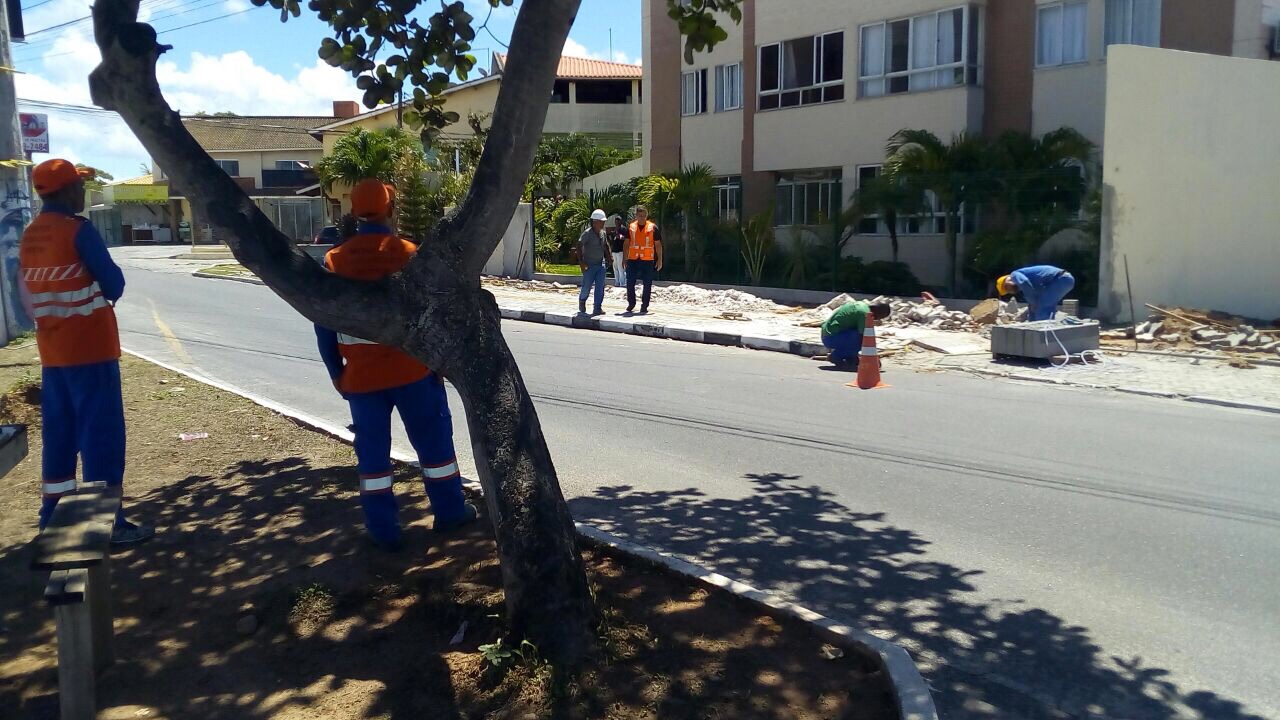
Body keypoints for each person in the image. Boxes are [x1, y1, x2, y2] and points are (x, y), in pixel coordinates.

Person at [315, 178, 477, 550]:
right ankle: (450, 513)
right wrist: (437, 364)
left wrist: (337, 375)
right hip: (413, 372)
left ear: (354, 212)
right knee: (435, 448)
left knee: (372, 459)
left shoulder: (334, 260)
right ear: (391, 209)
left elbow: (323, 325)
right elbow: (434, 316)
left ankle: (384, 531)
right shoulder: (408, 253)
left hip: (361, 378)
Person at [20, 159, 153, 545]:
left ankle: (51, 517)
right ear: (66, 191)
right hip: (90, 351)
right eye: (79, 186)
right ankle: (107, 524)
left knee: (60, 435)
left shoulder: (30, 234)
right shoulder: (78, 230)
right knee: (102, 437)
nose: (83, 192)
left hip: (53, 355)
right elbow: (114, 285)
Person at [820, 300, 892, 368]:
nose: (878, 319)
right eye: (881, 316)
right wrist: (873, 358)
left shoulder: (861, 305)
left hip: (828, 334)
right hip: (831, 337)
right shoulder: (864, 314)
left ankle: (850, 357)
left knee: (856, 337)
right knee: (859, 340)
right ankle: (836, 356)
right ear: (878, 311)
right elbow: (864, 339)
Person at [996, 265, 1075, 322]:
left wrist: (1033, 303)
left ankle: (1044, 336)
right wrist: (1031, 313)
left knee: (1042, 308)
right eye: (1008, 292)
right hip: (1062, 280)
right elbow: (1035, 297)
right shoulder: (1033, 283)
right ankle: (1043, 333)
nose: (1010, 291)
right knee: (1042, 307)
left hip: (1061, 279)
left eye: (1007, 288)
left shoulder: (1014, 275)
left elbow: (1024, 283)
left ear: (1006, 280)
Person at [624, 205, 663, 314]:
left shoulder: (653, 228)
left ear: (646, 216)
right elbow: (626, 243)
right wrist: (624, 258)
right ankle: (631, 303)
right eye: (639, 216)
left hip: (647, 260)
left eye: (644, 216)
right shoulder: (631, 227)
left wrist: (660, 259)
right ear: (636, 216)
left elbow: (658, 245)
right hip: (632, 259)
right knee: (630, 282)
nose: (642, 218)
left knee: (647, 283)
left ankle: (644, 306)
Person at [577, 209, 610, 316]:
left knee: (600, 287)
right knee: (587, 286)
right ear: (595, 222)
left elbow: (606, 245)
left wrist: (609, 257)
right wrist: (581, 262)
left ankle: (597, 307)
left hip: (600, 264)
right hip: (589, 265)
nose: (603, 223)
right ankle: (582, 300)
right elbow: (579, 245)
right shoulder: (587, 234)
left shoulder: (603, 233)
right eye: (601, 221)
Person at [607, 214, 628, 287]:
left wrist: (619, 236)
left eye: (618, 221)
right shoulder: (615, 229)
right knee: (615, 266)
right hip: (614, 250)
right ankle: (617, 281)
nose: (617, 223)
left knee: (620, 267)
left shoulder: (623, 229)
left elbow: (625, 238)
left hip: (620, 251)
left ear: (621, 221)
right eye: (616, 221)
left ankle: (622, 282)